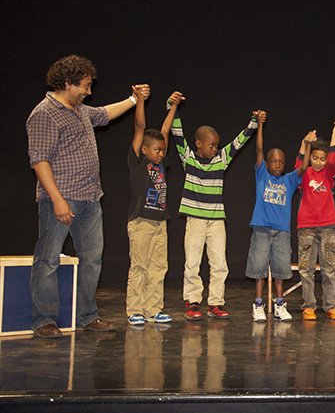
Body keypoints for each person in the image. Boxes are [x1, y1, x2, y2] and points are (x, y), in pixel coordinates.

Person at [26, 54, 149, 338]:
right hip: (61, 198)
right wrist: (57, 199)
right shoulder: (44, 113)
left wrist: (133, 100)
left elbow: (105, 113)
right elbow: (39, 160)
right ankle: (43, 320)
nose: (89, 92)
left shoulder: (80, 110)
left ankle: (87, 316)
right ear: (67, 83)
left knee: (92, 259)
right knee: (48, 260)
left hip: (90, 198)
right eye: (84, 86)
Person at [170, 100, 261, 321]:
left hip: (216, 220)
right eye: (210, 145)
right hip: (195, 219)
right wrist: (172, 107)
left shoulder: (221, 159)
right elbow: (177, 134)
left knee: (219, 263)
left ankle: (216, 303)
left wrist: (254, 122)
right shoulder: (188, 158)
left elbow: (239, 143)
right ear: (198, 143)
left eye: (216, 145)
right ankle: (192, 302)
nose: (215, 149)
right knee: (192, 261)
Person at [125, 90, 183, 326]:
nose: (161, 154)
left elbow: (165, 131)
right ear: (145, 150)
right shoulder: (137, 162)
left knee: (158, 267)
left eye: (162, 150)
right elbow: (140, 127)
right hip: (140, 221)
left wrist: (173, 107)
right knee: (139, 265)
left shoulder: (160, 163)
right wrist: (140, 100)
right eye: (156, 150)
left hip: (160, 221)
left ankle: (153, 308)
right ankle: (135, 309)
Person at [247, 114, 312, 322]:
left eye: (281, 162)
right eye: (273, 161)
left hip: (282, 231)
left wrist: (308, 144)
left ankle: (279, 305)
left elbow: (303, 167)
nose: (277, 165)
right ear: (266, 164)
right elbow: (258, 149)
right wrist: (259, 125)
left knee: (281, 269)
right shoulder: (262, 175)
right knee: (258, 267)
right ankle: (258, 305)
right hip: (262, 229)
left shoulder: (289, 180)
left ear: (284, 165)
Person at [295, 121, 335, 321]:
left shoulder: (329, 173)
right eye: (315, 158)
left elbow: (333, 159)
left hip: (328, 227)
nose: (318, 162)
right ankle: (309, 306)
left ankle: (331, 306)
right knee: (306, 269)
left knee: (328, 269)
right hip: (306, 227)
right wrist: (305, 142)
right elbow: (299, 162)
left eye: (321, 159)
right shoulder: (304, 173)